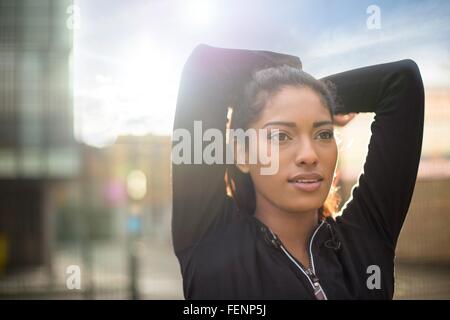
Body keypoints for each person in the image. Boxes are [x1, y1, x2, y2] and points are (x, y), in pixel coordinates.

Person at [171, 44, 424, 299]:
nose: (309, 155)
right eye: (281, 136)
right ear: (241, 153)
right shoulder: (209, 241)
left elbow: (402, 81)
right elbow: (206, 65)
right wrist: (289, 76)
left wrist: (309, 94)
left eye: (323, 133)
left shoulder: (366, 238)